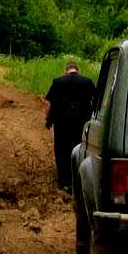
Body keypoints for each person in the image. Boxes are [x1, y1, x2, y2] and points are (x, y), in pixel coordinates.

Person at [45, 60, 96, 192]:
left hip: (62, 123)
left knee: (61, 151)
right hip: (81, 123)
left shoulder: (58, 82)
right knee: (79, 149)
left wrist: (48, 120)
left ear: (65, 70)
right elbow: (95, 103)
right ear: (77, 70)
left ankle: (64, 182)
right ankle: (78, 181)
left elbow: (51, 104)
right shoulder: (87, 82)